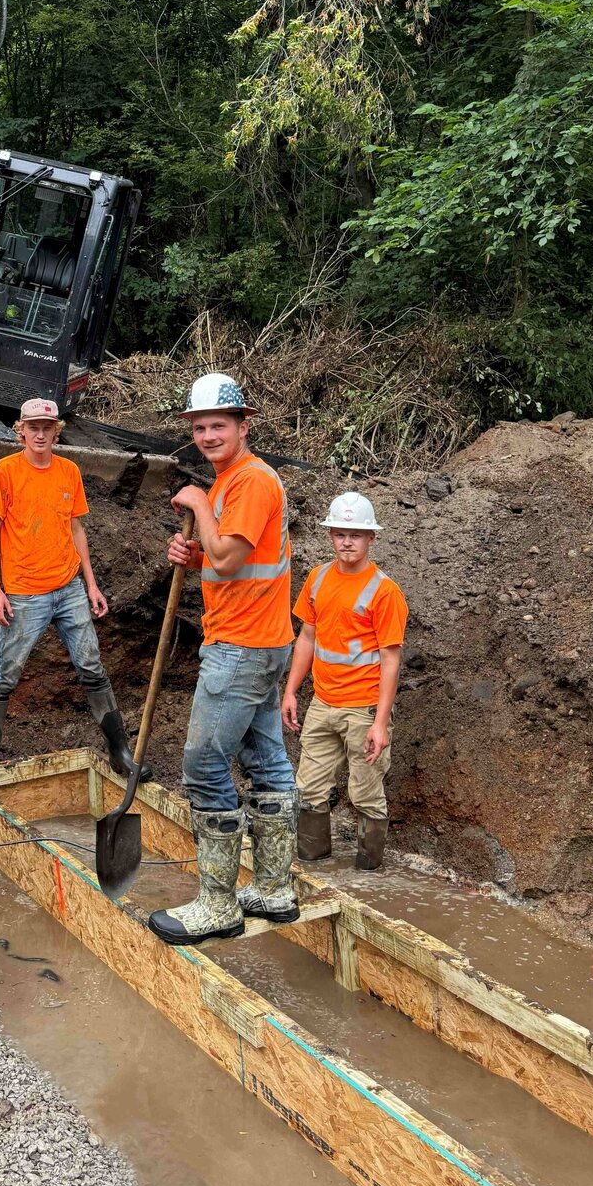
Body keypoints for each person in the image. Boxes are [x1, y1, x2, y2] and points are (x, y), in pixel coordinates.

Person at [148, 373, 299, 946]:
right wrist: (193, 551)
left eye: (218, 425)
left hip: (240, 647)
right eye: (200, 427)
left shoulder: (250, 482)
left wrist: (198, 505)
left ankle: (218, 903)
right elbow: (223, 554)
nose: (208, 435)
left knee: (204, 766)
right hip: (258, 640)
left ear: (243, 425)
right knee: (266, 761)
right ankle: (275, 889)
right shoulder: (235, 483)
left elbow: (231, 558)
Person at [0, 396, 142, 800]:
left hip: (68, 589)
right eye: (33, 427)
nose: (41, 433)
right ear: (22, 430)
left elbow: (77, 530)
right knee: (4, 675)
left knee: (92, 666)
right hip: (23, 591)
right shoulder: (5, 472)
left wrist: (91, 583)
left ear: (56, 431)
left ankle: (120, 751)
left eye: (48, 427)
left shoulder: (69, 471)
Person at [282, 491, 408, 870]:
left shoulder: (384, 592)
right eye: (340, 534)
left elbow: (390, 660)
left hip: (363, 709)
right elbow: (306, 637)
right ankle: (313, 865)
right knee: (309, 791)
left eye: (355, 534)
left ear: (371, 538)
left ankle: (368, 875)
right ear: (330, 536)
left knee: (366, 794)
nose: (347, 542)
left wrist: (380, 723)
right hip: (323, 704)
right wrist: (290, 691)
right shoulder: (318, 579)